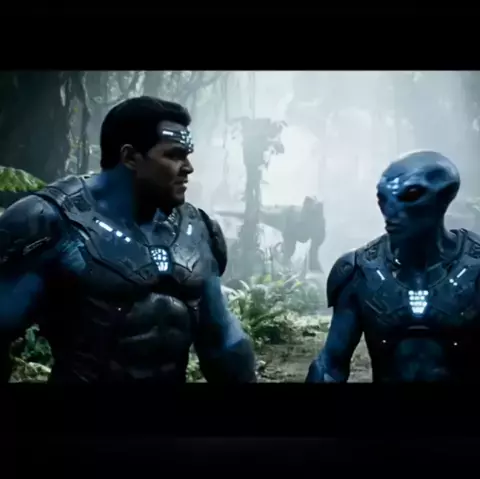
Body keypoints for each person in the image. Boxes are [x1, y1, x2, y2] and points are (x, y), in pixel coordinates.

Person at [0, 96, 257, 383]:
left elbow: (222, 343)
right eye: (174, 155)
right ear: (131, 157)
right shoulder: (50, 223)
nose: (188, 167)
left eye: (187, 155)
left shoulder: (195, 229)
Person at [306, 150, 480, 383]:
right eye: (384, 198)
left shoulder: (475, 266)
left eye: (411, 195)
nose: (391, 212)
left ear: (444, 197)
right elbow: (331, 365)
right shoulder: (358, 272)